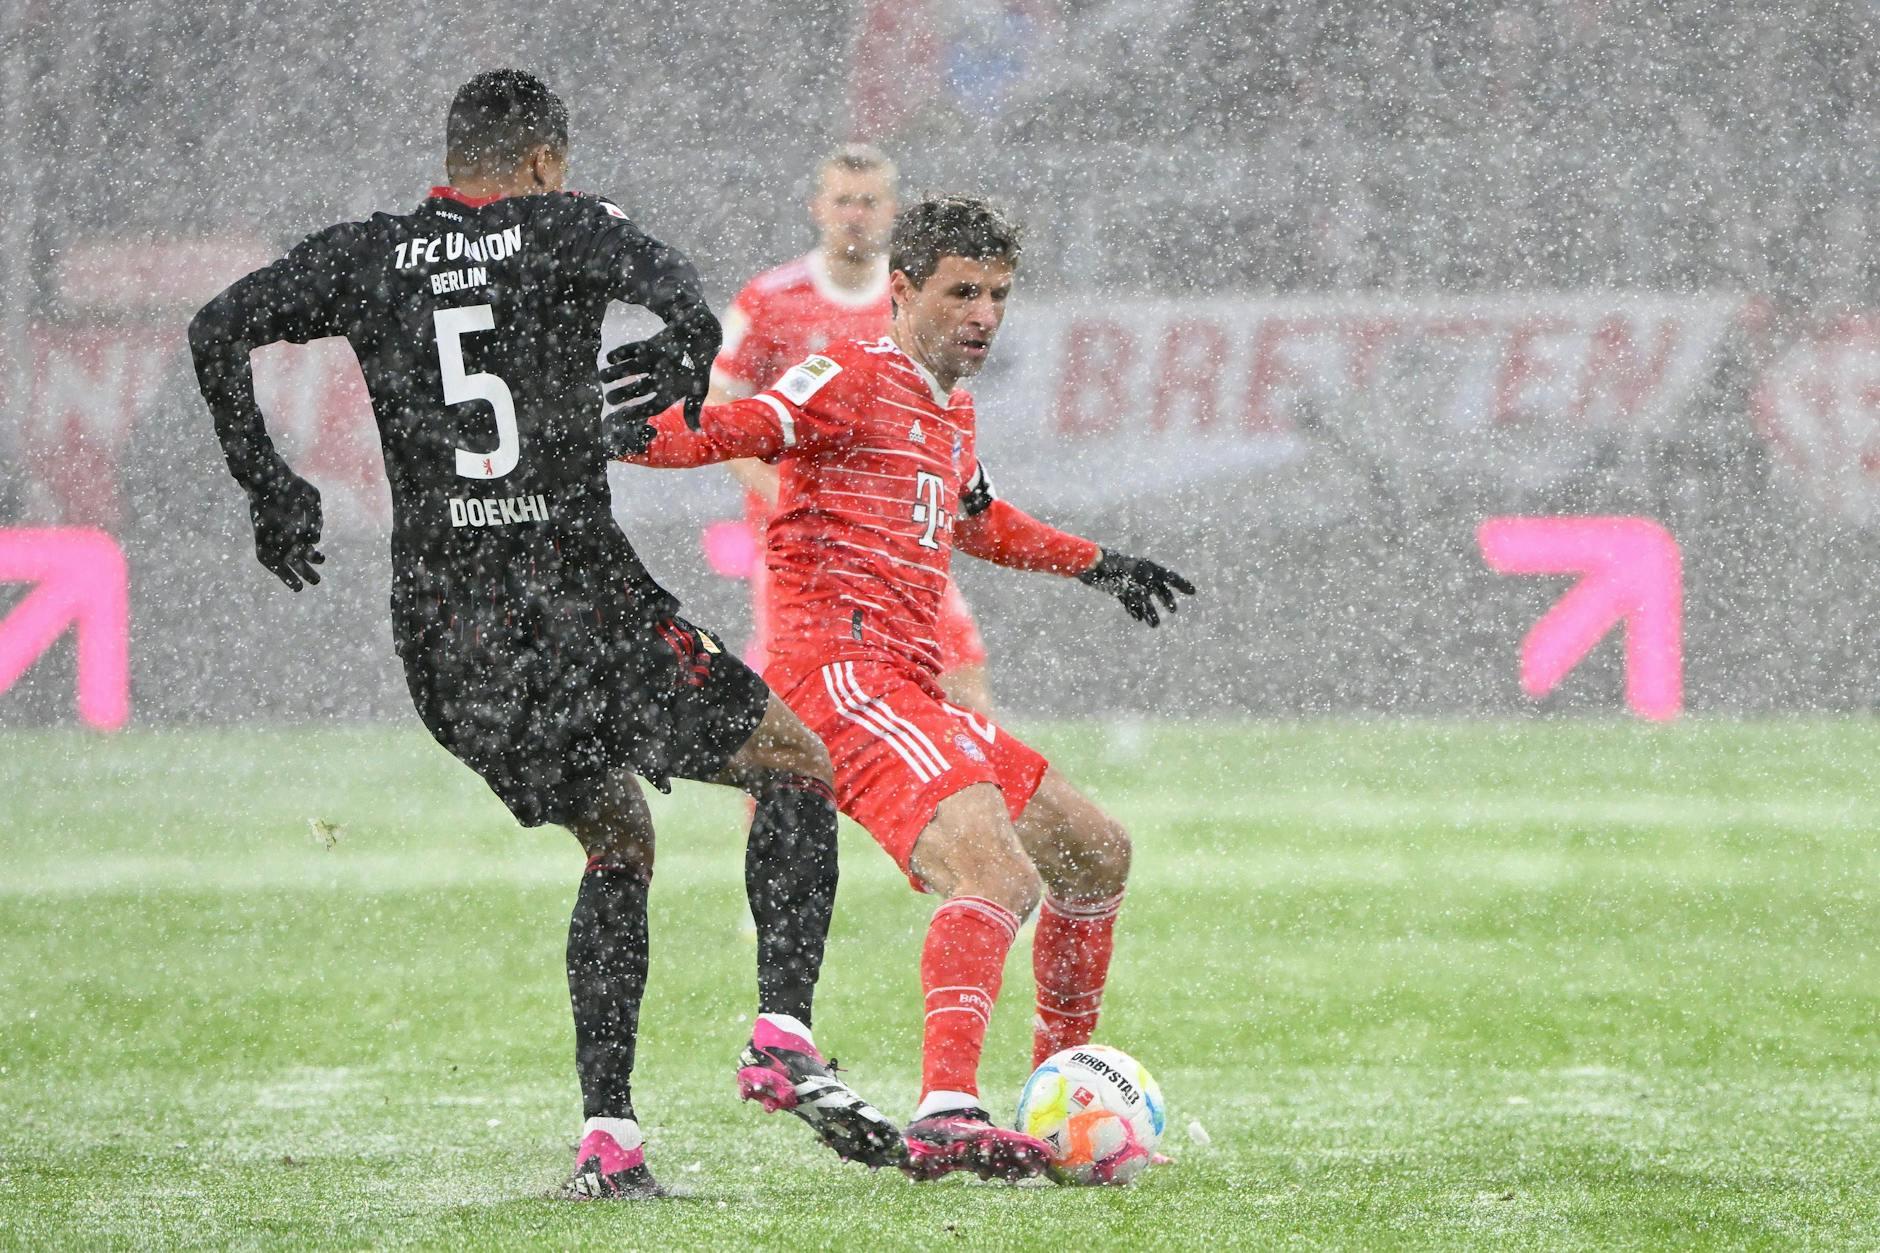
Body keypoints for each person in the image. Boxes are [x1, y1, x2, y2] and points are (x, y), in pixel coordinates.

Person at [186, 69, 902, 1200]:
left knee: (617, 834)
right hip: (576, 596)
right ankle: (780, 1032)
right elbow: (677, 290)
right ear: (541, 162)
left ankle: (608, 1137)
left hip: (447, 629)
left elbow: (216, 327)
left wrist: (267, 484)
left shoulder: (371, 253)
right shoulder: (563, 227)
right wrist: (681, 352)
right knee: (794, 761)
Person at [608, 196, 1195, 1180]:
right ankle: (947, 1112)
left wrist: (1098, 563)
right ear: (904, 289)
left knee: (1095, 852)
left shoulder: (949, 406)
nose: (983, 314)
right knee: (997, 874)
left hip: (908, 683)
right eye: (962, 292)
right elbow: (731, 428)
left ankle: (1055, 1091)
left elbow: (976, 517)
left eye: (998, 294)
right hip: (839, 675)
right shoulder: (848, 373)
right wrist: (609, 431)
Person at [708, 144, 996, 715]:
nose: (855, 215)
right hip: (802, 548)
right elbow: (719, 414)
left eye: (868, 202)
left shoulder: (915, 302)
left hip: (899, 539)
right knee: (804, 707)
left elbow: (941, 412)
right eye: (843, 201)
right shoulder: (770, 301)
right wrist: (792, 497)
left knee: (961, 687)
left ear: (892, 211)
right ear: (818, 207)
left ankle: (967, 776)